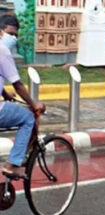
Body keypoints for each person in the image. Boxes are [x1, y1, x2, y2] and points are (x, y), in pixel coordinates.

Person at [0, 14, 46, 178]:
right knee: (28, 118)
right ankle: (12, 165)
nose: (13, 38)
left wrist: (5, 93)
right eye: (10, 33)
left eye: (15, 35)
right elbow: (18, 85)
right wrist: (33, 104)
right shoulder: (3, 51)